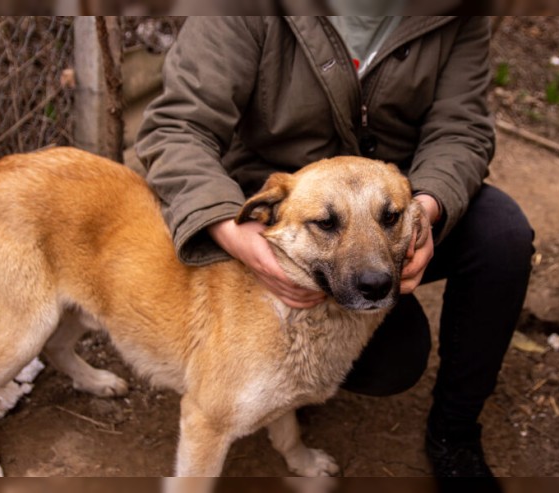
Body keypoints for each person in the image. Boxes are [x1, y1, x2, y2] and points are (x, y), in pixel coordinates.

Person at [136, 13, 534, 477]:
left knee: (503, 235)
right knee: (392, 364)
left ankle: (456, 432)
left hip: (394, 195)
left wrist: (424, 209)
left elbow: (460, 131)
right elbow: (176, 127)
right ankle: (274, 384)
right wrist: (229, 228)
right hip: (285, 206)